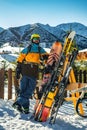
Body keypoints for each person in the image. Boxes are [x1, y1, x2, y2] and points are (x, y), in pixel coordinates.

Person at [12, 34, 48, 114]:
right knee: (24, 90)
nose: (36, 40)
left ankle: (20, 104)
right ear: (32, 40)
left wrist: (45, 58)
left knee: (29, 90)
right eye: (35, 39)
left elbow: (47, 58)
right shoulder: (27, 49)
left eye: (38, 39)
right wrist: (18, 69)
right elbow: (20, 59)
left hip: (34, 71)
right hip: (25, 71)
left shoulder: (40, 49)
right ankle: (24, 107)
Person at [33, 41, 63, 113]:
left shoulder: (51, 60)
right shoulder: (47, 61)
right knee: (42, 90)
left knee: (48, 91)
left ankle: (44, 110)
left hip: (51, 73)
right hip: (47, 73)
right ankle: (36, 109)